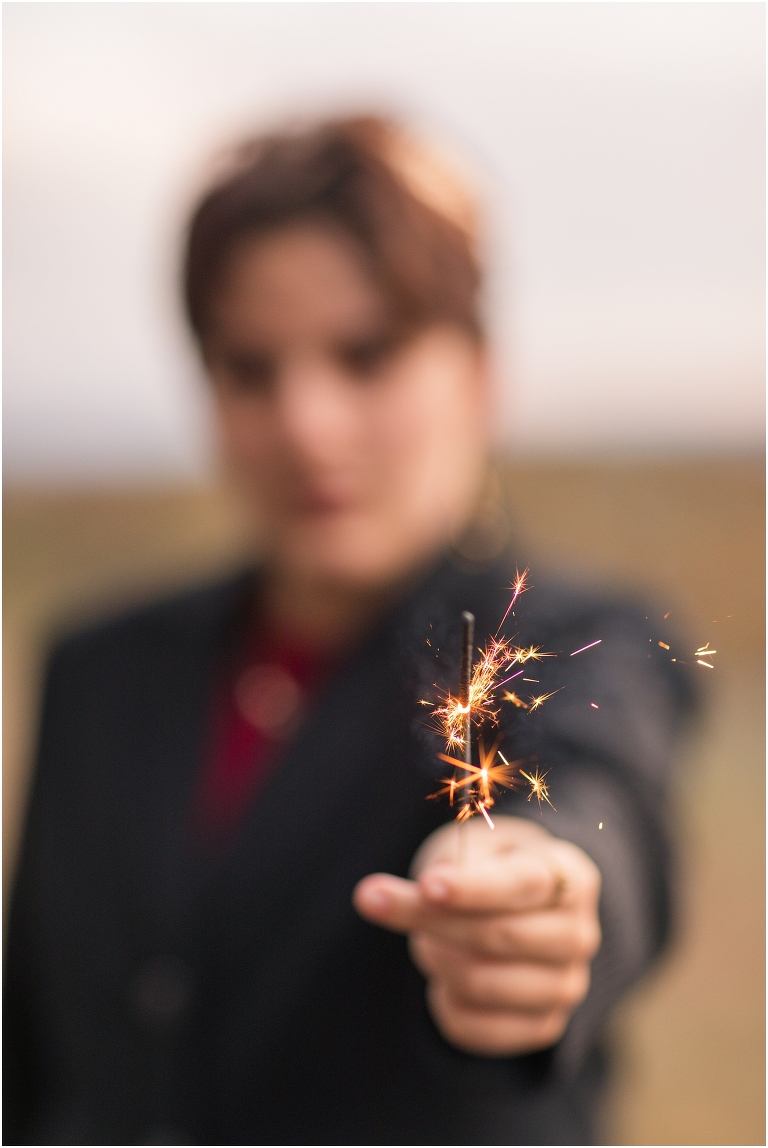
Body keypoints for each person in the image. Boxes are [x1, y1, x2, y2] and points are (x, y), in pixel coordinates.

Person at [3, 115, 693, 1146]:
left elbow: (598, 805)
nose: (306, 423)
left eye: (366, 355)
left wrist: (538, 897)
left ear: (477, 371)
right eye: (251, 368)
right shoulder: (99, 669)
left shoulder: (570, 641)